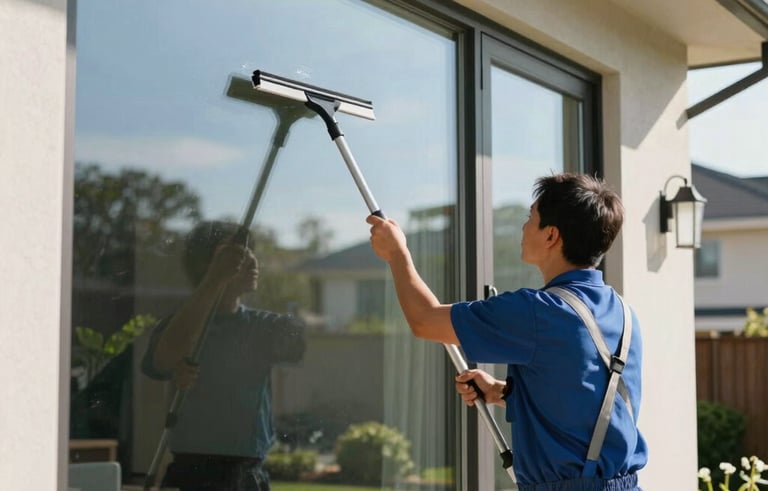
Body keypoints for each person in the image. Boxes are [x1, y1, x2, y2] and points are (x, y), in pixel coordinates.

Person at [367, 173, 647, 491]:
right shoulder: (623, 314)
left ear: (551, 236)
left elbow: (425, 320)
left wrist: (397, 254)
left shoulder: (538, 312)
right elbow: (584, 398)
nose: (523, 227)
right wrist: (503, 393)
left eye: (531, 218)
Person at [142, 220, 306, 491]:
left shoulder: (262, 327)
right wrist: (215, 279)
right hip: (191, 474)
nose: (251, 261)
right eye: (237, 254)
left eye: (250, 251)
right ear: (207, 264)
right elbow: (162, 361)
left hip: (248, 474)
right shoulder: (178, 327)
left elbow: (296, 343)